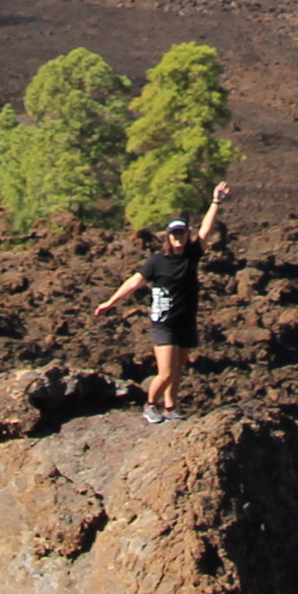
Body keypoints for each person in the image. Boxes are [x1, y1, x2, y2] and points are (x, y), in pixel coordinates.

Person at [89, 179, 230, 422]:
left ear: (187, 235)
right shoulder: (156, 261)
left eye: (182, 233)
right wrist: (110, 302)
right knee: (165, 372)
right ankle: (149, 405)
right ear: (168, 237)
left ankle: (170, 408)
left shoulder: (192, 255)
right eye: (174, 234)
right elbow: (134, 282)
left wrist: (215, 201)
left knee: (177, 370)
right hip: (164, 323)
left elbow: (205, 231)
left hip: (186, 321)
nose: (178, 238)